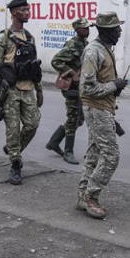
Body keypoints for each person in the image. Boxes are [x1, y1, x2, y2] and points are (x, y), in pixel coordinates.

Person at [0, 0, 43, 185]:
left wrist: (40, 90)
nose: (27, 13)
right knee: (13, 129)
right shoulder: (3, 37)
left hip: (28, 89)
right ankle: (15, 164)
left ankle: (13, 148)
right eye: (23, 10)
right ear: (13, 13)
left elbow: (35, 67)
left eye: (28, 9)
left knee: (33, 124)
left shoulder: (30, 37)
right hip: (10, 90)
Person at [77, 11, 126, 219]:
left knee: (94, 153)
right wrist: (113, 85)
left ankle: (82, 195)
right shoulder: (93, 52)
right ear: (106, 31)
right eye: (116, 29)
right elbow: (87, 89)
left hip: (103, 107)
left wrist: (115, 88)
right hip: (97, 108)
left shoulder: (105, 48)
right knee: (111, 156)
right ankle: (91, 196)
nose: (120, 32)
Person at [47, 17, 91, 164]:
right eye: (84, 28)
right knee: (73, 118)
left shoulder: (85, 43)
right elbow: (55, 61)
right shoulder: (72, 45)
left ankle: (54, 142)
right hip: (72, 87)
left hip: (82, 87)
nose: (87, 30)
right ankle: (68, 152)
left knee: (79, 119)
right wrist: (72, 73)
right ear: (77, 29)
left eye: (88, 28)